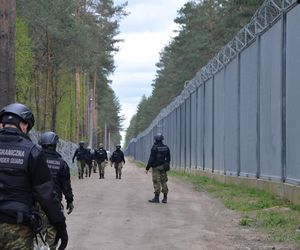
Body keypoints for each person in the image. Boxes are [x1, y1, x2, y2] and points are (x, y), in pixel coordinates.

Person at [0, 103, 68, 250]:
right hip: (18, 228)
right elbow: (46, 195)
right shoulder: (32, 152)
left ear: (1, 124)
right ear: (23, 125)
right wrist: (60, 226)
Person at [39, 131, 74, 249]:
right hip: (54, 205)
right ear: (55, 145)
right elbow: (66, 186)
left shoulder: (34, 159)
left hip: (35, 205)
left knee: (36, 236)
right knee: (53, 237)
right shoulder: (62, 163)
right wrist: (70, 201)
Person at [146, 133, 171, 204]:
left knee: (156, 181)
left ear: (156, 139)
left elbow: (151, 158)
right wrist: (166, 164)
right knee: (164, 181)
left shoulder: (154, 148)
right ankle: (165, 198)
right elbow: (168, 158)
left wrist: (147, 168)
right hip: (163, 167)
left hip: (156, 167)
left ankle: (156, 198)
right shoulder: (166, 147)